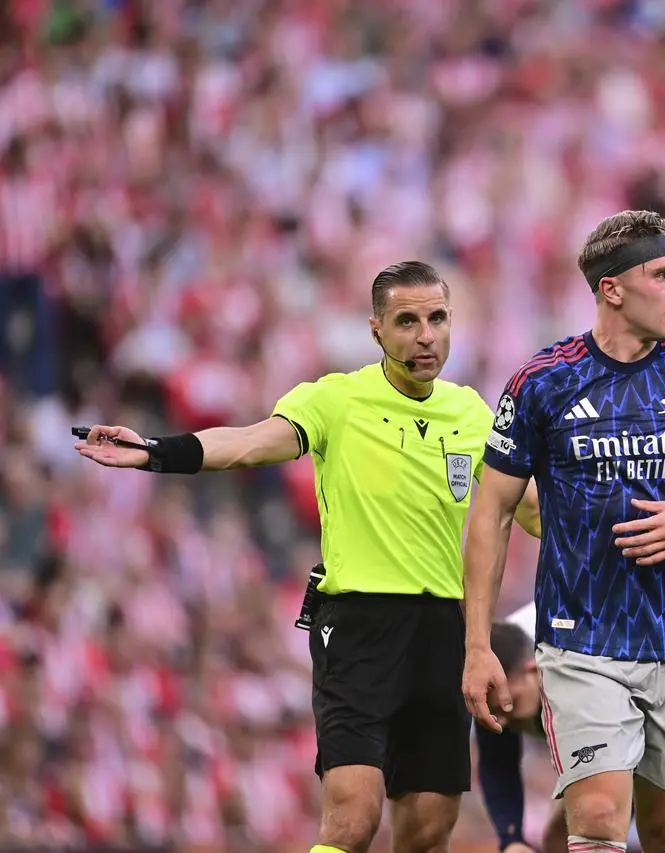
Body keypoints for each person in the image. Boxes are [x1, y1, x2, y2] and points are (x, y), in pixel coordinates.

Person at [74, 261, 539, 853]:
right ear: (376, 331)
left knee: (427, 827)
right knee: (353, 816)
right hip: (359, 625)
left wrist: (608, 541)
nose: (425, 335)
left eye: (437, 318)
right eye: (407, 321)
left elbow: (525, 508)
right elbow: (246, 443)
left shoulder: (471, 413)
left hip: (444, 629)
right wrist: (157, 451)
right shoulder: (336, 401)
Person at [460, 209, 665, 853]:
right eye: (663, 274)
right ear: (612, 289)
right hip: (582, 641)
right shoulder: (542, 382)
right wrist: (478, 644)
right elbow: (493, 512)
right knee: (601, 822)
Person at [476, 602, 665, 853]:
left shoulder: (570, 649)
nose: (502, 720)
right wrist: (511, 838)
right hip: (633, 671)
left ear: (533, 669)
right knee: (565, 835)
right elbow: (496, 763)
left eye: (509, 705)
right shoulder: (495, 668)